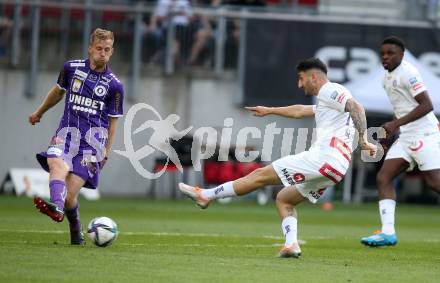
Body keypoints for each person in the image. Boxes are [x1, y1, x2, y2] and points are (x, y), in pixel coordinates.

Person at [179, 58, 377, 258]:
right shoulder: (328, 103)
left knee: (258, 175)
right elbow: (300, 111)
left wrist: (363, 140)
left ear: (314, 77)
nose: (299, 84)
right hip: (336, 168)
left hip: (323, 158)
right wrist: (270, 110)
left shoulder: (329, 90)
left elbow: (357, 107)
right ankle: (292, 245)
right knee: (284, 199)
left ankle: (206, 195)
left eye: (301, 79)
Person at [28, 28, 124, 245]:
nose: (102, 53)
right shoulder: (71, 68)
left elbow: (113, 122)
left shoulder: (115, 86)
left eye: (107, 50)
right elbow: (58, 91)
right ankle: (57, 207)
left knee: (70, 195)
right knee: (56, 163)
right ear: (90, 48)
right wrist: (39, 112)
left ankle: (74, 228)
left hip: (92, 145)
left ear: (112, 52)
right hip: (66, 134)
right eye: (98, 48)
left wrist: (106, 153)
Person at [361, 36, 440, 247]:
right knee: (383, 177)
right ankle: (388, 233)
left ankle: (387, 232)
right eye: (383, 54)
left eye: (390, 53)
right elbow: (405, 107)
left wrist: (396, 124)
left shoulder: (409, 73)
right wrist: (398, 126)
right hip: (406, 136)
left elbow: (427, 105)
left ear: (402, 55)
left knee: (434, 182)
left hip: (425, 134)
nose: (385, 57)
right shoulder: (384, 78)